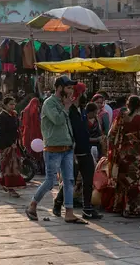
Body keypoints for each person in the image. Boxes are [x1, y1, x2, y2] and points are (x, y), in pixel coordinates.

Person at [26, 75, 87, 224]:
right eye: (68, 87)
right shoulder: (50, 103)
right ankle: (32, 205)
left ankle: (69, 213)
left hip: (66, 147)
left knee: (69, 181)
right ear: (59, 88)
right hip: (53, 148)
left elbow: (68, 125)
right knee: (50, 181)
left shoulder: (63, 103)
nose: (71, 91)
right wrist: (66, 106)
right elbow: (58, 120)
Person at [54, 82, 103, 220]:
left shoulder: (82, 110)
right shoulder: (69, 111)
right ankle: (58, 202)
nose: (84, 95)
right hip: (73, 151)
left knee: (88, 180)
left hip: (85, 149)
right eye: (82, 92)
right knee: (71, 181)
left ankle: (87, 209)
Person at [102, 95, 140, 217]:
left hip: (121, 154)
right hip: (135, 155)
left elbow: (111, 135)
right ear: (139, 106)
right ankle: (132, 209)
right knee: (135, 181)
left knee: (123, 180)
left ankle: (120, 206)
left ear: (127, 105)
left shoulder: (121, 117)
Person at [0, 96, 25, 198]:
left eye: (14, 104)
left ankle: (7, 184)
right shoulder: (2, 116)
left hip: (14, 144)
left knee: (14, 166)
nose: (13, 106)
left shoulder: (13, 115)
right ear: (5, 105)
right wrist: (10, 143)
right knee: (9, 167)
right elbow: (2, 132)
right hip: (5, 145)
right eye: (11, 104)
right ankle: (11, 188)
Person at [20, 97, 43, 171]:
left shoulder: (25, 110)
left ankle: (32, 167)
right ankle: (37, 166)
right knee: (37, 151)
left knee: (29, 149)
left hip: (27, 132)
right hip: (35, 132)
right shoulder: (35, 110)